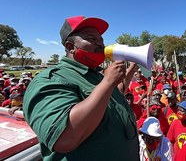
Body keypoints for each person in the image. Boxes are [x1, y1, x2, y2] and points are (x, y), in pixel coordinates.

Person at [23, 16, 139, 160]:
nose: (100, 44)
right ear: (70, 47)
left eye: (101, 40)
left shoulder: (97, 77)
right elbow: (64, 139)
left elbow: (113, 97)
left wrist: (130, 70)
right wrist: (108, 82)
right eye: (91, 39)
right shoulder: (51, 80)